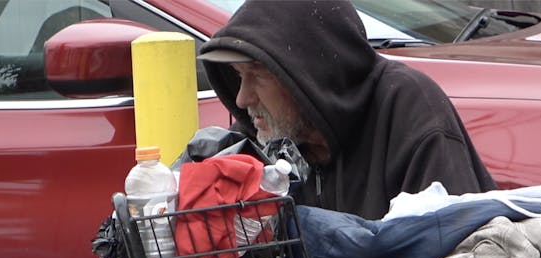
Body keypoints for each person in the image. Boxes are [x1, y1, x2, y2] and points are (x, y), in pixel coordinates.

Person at [197, 0, 497, 221]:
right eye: (238, 75)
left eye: (258, 75)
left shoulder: (407, 108)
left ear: (306, 76)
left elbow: (453, 252)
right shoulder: (258, 141)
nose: (242, 98)